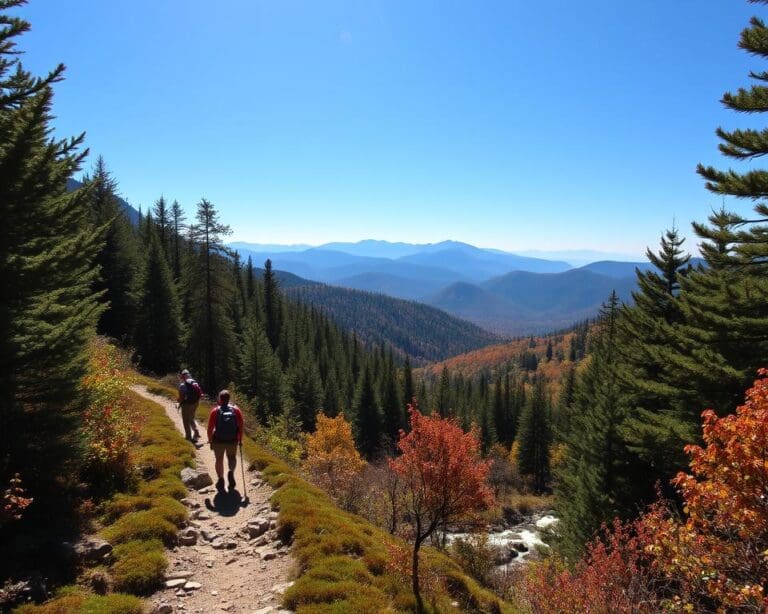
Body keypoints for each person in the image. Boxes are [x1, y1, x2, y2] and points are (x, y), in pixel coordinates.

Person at [207, 389, 244, 492]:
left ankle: (221, 479)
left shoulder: (215, 411)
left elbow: (210, 428)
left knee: (219, 459)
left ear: (220, 399)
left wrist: (210, 440)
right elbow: (241, 426)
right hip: (232, 440)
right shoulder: (236, 410)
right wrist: (240, 439)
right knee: (232, 457)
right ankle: (231, 471)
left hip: (218, 440)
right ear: (229, 399)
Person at [177, 369, 202, 443]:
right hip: (195, 403)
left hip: (186, 404)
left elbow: (181, 398)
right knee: (192, 418)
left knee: (186, 420)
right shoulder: (194, 382)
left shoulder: (182, 385)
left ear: (182, 376)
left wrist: (178, 402)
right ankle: (196, 430)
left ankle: (188, 437)